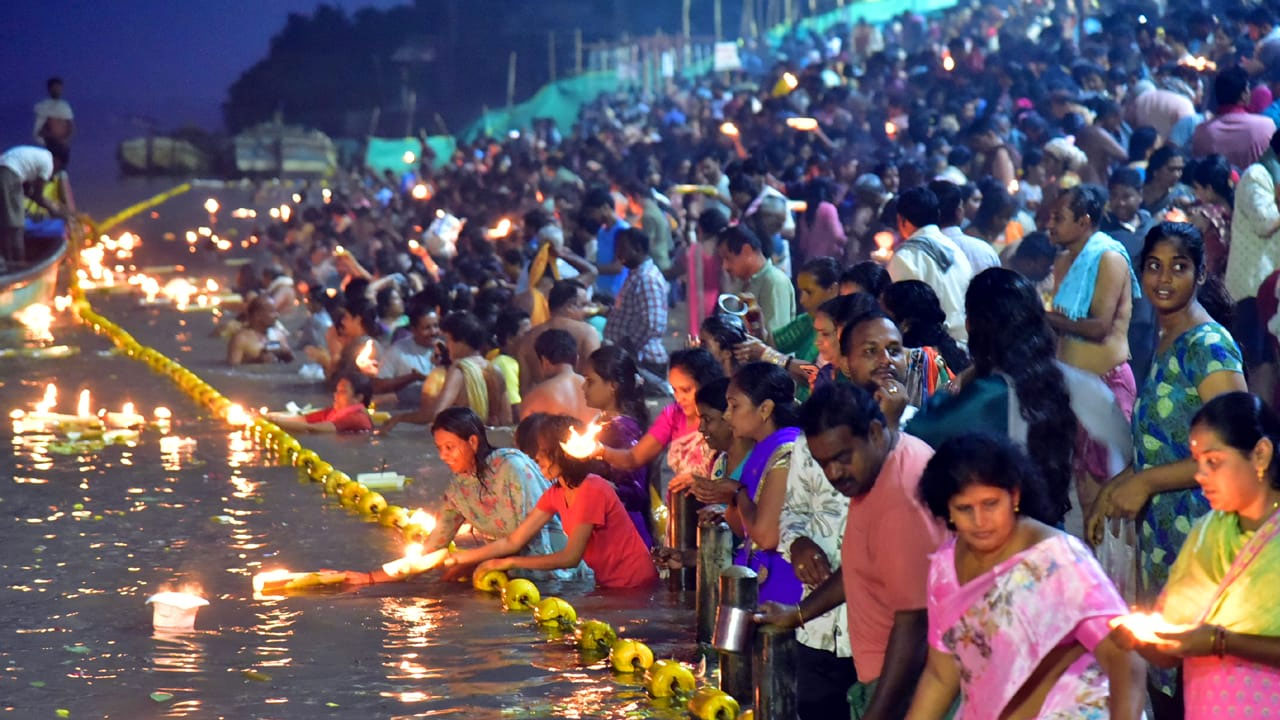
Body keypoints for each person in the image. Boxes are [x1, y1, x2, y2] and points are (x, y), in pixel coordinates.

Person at [905, 433, 1146, 720]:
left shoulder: (1058, 559)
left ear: (1015, 496)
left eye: (991, 504)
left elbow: (1123, 656)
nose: (980, 521)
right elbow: (940, 675)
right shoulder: (945, 569)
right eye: (965, 509)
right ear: (948, 511)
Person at [756, 383, 948, 720]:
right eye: (823, 463)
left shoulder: (900, 500)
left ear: (874, 433)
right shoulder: (875, 470)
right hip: (885, 675)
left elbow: (914, 621)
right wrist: (799, 614)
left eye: (842, 459)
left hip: (906, 685)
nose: (833, 474)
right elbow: (862, 566)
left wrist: (877, 712)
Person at [1117, 392, 1280, 719]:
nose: (1201, 476)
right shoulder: (1207, 532)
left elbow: (1208, 642)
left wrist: (1222, 643)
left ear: (1260, 454)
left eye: (1214, 462)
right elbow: (1173, 649)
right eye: (1197, 462)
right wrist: (1144, 639)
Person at [344, 408, 574, 584]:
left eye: (449, 447)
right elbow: (430, 550)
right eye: (439, 448)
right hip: (505, 572)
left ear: (472, 442)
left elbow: (522, 539)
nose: (443, 456)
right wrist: (370, 578)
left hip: (553, 572)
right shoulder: (459, 489)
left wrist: (468, 560)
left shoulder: (512, 467)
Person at [445, 414, 658, 589]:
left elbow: (570, 557)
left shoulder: (592, 488)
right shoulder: (556, 493)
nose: (536, 458)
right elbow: (513, 541)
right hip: (608, 584)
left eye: (543, 452)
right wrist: (459, 558)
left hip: (635, 584)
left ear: (562, 453)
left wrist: (509, 562)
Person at [1047, 184, 1140, 517]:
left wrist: (1041, 315)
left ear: (1084, 221)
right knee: (1084, 494)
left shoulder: (1109, 258)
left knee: (1111, 497)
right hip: (1073, 388)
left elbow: (1099, 327)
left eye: (1059, 217)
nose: (1050, 224)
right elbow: (1061, 328)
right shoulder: (1062, 264)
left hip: (1107, 384)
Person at [691, 362, 802, 603]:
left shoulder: (786, 452)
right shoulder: (763, 450)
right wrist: (728, 499)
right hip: (757, 580)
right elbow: (743, 529)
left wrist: (737, 491)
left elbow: (765, 536)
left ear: (765, 409)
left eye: (734, 406)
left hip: (784, 589)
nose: (728, 415)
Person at [598, 347, 725, 489]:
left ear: (705, 384)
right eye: (675, 390)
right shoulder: (673, 415)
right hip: (680, 505)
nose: (679, 398)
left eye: (686, 390)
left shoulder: (725, 417)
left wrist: (704, 481)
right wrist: (598, 450)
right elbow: (633, 458)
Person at [383, 311, 512, 429]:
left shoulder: (459, 369)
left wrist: (399, 418)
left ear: (460, 341)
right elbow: (507, 420)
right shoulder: (496, 370)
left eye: (448, 340)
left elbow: (436, 415)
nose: (446, 346)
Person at [1226, 129, 1280, 406]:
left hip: (1272, 289)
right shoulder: (1256, 176)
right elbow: (1266, 221)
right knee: (1259, 363)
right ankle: (1256, 425)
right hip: (1251, 287)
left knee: (1271, 361)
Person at [582, 345, 654, 547]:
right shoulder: (603, 421)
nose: (583, 388)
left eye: (590, 381)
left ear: (613, 385)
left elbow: (635, 493)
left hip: (622, 534)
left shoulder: (622, 429)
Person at [886, 186, 973, 344]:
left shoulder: (906, 257)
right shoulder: (956, 250)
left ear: (901, 220)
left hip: (931, 352)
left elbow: (901, 315)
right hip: (965, 343)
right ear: (938, 215)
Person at [603, 227, 669, 377]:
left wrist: (626, 348)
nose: (618, 254)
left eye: (622, 248)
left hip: (643, 361)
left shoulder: (647, 278)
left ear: (638, 248)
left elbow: (651, 323)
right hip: (634, 358)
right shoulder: (637, 274)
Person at [515, 279, 601, 392]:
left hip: (540, 404)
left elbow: (524, 388)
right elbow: (597, 380)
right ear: (570, 306)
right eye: (583, 305)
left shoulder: (528, 338)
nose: (587, 311)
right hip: (577, 405)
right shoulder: (588, 333)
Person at [1191, 65, 1276, 172]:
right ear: (1244, 95)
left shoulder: (1201, 131)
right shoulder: (1266, 126)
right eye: (1248, 88)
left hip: (1211, 188)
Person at [718, 224, 796, 335]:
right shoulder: (741, 281)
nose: (725, 266)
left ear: (747, 251)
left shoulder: (774, 281)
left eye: (728, 258)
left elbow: (776, 340)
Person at [881, 280, 971, 375]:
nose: (878, 322)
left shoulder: (913, 367)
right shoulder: (950, 353)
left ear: (906, 324)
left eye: (884, 316)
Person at [0, 144, 66, 268]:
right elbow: (38, 195)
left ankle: (7, 262)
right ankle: (17, 265)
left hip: (5, 171)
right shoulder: (48, 163)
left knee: (5, 223)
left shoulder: (36, 157)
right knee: (16, 226)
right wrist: (53, 209)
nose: (52, 174)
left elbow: (28, 192)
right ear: (57, 162)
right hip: (8, 174)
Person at [519, 329, 594, 423]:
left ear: (545, 361)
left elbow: (524, 434)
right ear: (577, 359)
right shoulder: (596, 389)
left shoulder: (537, 395)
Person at [929, 180, 1000, 275]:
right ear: (959, 212)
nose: (979, 206)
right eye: (975, 200)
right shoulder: (984, 251)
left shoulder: (916, 252)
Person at [375, 307, 441, 407]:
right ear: (413, 330)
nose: (433, 332)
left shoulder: (446, 347)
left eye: (436, 326)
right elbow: (378, 386)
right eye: (427, 328)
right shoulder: (398, 350)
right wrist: (411, 378)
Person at [268, 374, 374, 434]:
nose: (335, 395)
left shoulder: (356, 418)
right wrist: (270, 416)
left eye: (342, 392)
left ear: (358, 398)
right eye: (336, 391)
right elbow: (302, 419)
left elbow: (311, 428)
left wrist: (274, 422)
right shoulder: (333, 412)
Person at [583, 187, 630, 297]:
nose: (591, 216)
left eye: (592, 212)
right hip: (602, 290)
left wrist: (587, 266)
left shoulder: (622, 230)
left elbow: (617, 267)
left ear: (605, 207)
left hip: (616, 293)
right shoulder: (602, 231)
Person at [227, 296, 294, 365]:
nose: (277, 315)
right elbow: (232, 369)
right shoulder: (241, 339)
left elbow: (291, 364)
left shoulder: (279, 335)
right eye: (272, 312)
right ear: (257, 315)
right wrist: (258, 360)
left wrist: (287, 355)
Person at [1141, 146, 1194, 217]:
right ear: (1156, 170)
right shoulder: (1136, 187)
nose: (1177, 175)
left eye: (1179, 169)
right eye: (1171, 169)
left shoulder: (1178, 198)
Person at [33, 77, 74, 149]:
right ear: (49, 89)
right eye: (54, 88)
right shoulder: (42, 106)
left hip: (61, 143)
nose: (56, 90)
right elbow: (40, 128)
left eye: (58, 88)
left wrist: (63, 138)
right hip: (48, 142)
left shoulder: (65, 106)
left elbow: (70, 125)